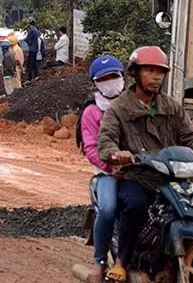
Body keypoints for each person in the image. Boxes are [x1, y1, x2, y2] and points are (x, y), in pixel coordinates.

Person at [98, 46, 193, 283]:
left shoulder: (172, 106)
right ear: (135, 73)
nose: (156, 77)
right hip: (136, 176)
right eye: (149, 70)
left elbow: (191, 137)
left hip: (169, 177)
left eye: (160, 72)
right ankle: (122, 261)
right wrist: (116, 154)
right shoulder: (119, 108)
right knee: (135, 205)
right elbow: (106, 141)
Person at [77, 55, 126, 283]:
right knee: (107, 210)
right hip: (107, 173)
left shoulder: (134, 105)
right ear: (95, 83)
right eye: (104, 79)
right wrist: (111, 166)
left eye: (113, 76)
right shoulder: (91, 112)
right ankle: (99, 262)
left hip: (139, 169)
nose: (110, 82)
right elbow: (90, 148)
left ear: (123, 77)